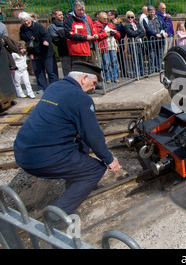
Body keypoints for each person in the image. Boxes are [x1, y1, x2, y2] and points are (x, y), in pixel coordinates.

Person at [14, 61, 121, 223]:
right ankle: (56, 218)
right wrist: (109, 160)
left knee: (82, 143)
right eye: (93, 83)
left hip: (22, 149)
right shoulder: (81, 99)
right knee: (95, 169)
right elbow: (93, 135)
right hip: (41, 157)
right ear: (84, 78)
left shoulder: (54, 87)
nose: (94, 88)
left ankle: (74, 179)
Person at [19, 12, 59, 94]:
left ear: (30, 19)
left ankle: (54, 87)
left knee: (51, 71)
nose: (26, 23)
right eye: (24, 21)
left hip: (46, 51)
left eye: (27, 20)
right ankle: (42, 87)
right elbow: (25, 42)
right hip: (35, 52)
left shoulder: (38, 26)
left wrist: (46, 41)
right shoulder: (22, 29)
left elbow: (46, 35)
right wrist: (29, 53)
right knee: (38, 71)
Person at [64, 0, 99, 64]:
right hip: (78, 50)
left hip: (90, 48)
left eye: (83, 10)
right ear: (74, 9)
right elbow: (69, 34)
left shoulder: (87, 17)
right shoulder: (70, 19)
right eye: (79, 10)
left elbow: (92, 28)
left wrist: (95, 34)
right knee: (81, 71)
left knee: (93, 69)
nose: (81, 12)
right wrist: (85, 37)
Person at [94, 11, 121, 84]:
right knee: (106, 63)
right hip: (104, 46)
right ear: (100, 18)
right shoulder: (97, 25)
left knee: (114, 62)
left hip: (112, 45)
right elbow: (97, 35)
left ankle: (115, 77)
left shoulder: (111, 25)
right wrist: (106, 34)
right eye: (104, 18)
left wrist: (115, 32)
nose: (106, 20)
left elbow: (118, 36)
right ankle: (107, 78)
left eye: (106, 18)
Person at [143, 5, 167, 72]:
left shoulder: (159, 18)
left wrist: (165, 32)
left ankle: (158, 68)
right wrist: (155, 34)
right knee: (152, 54)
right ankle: (151, 69)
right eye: (150, 12)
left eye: (153, 12)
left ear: (155, 11)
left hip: (159, 40)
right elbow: (147, 29)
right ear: (148, 12)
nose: (152, 13)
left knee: (159, 54)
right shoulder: (146, 19)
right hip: (151, 40)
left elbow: (164, 26)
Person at [48, 8, 71, 77]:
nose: (61, 16)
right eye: (59, 15)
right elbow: (56, 41)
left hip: (73, 50)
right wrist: (67, 43)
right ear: (54, 15)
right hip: (64, 51)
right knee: (67, 70)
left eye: (62, 15)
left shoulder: (67, 23)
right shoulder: (52, 27)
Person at [124, 11, 145, 77]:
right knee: (134, 58)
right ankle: (135, 73)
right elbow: (131, 33)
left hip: (139, 41)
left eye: (132, 17)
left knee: (140, 57)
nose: (130, 18)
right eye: (129, 17)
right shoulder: (126, 25)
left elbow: (142, 32)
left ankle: (142, 72)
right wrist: (138, 32)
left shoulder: (137, 23)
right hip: (132, 43)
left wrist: (137, 34)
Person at [108, 10, 127, 77]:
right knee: (112, 59)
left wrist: (117, 35)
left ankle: (124, 72)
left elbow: (123, 33)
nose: (109, 16)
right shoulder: (108, 24)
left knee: (120, 58)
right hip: (111, 43)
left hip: (119, 42)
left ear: (114, 15)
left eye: (110, 14)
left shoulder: (120, 23)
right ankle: (114, 74)